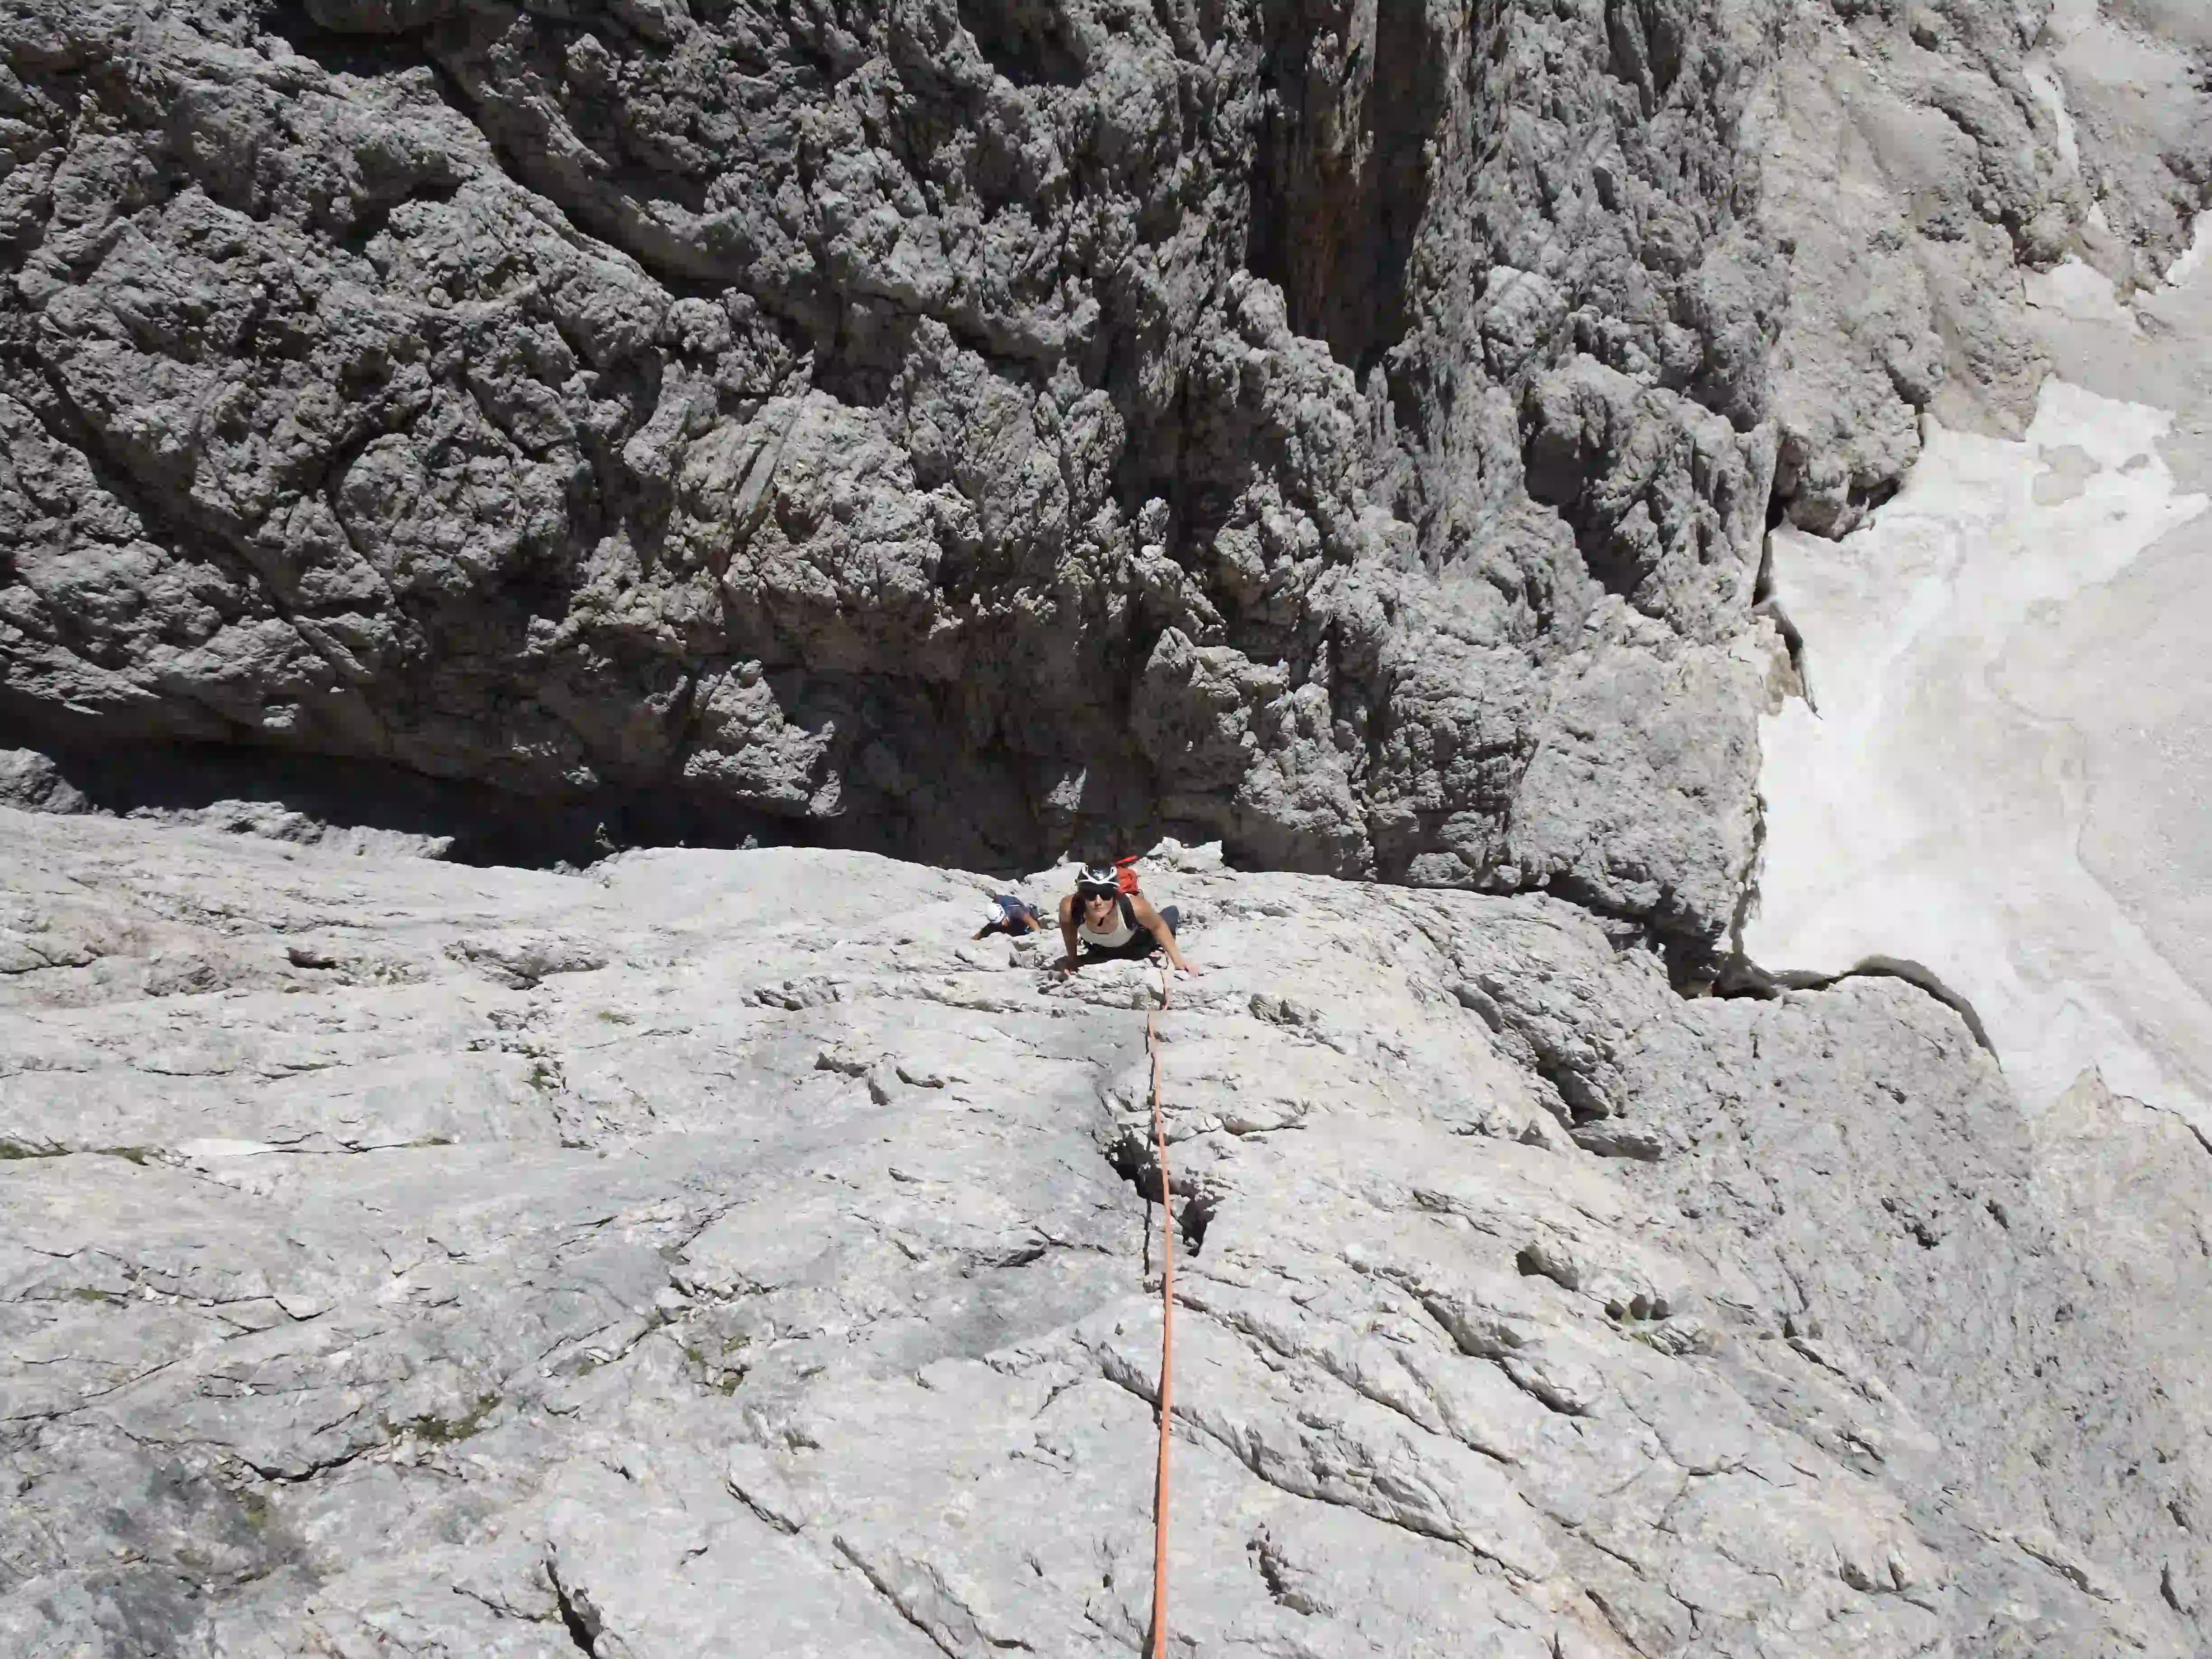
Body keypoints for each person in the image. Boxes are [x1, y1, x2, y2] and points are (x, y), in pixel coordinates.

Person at [1058, 864, 1198, 976]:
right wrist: (1073, 959)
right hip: (1100, 949)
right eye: (1090, 894)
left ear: (1116, 894)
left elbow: (1158, 926)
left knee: (1170, 914)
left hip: (1138, 944)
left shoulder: (1135, 907)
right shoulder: (1069, 908)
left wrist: (1178, 962)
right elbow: (1069, 932)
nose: (1098, 902)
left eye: (1106, 894)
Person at [974, 894, 1045, 940]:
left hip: (1023, 922)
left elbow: (1033, 923)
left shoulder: (1017, 912)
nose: (1002, 924)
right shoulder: (996, 920)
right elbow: (985, 931)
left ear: (1004, 915)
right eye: (999, 923)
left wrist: (1039, 937)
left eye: (1003, 921)